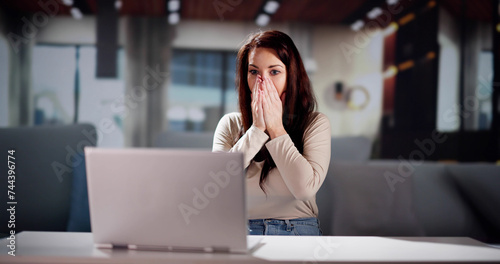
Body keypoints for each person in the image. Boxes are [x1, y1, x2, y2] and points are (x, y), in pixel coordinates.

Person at [212, 30, 331, 236]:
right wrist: (257, 129)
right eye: (253, 72)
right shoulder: (230, 124)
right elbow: (215, 186)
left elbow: (303, 190)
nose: (262, 82)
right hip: (241, 230)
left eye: (274, 72)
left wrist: (276, 128)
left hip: (297, 229)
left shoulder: (314, 123)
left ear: (290, 76)